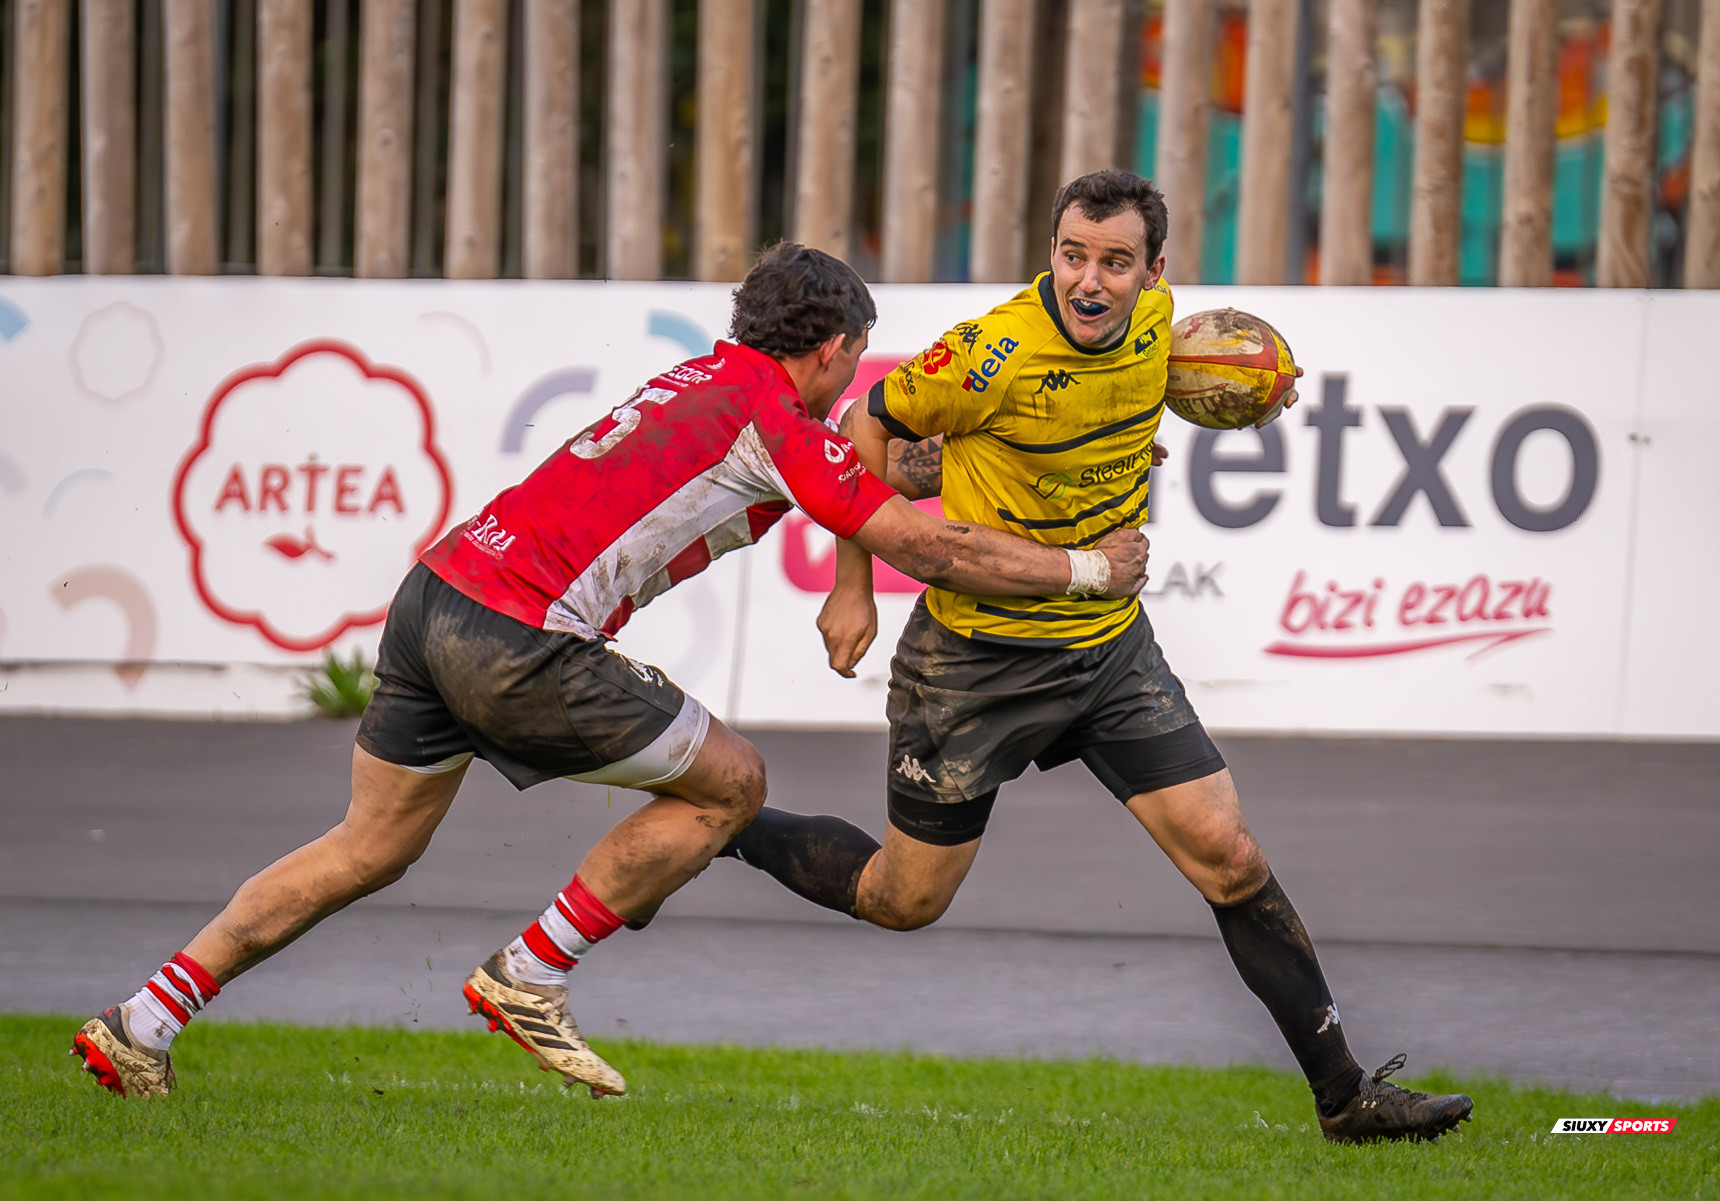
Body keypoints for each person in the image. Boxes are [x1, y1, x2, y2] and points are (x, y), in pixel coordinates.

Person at [71, 242, 1151, 1101]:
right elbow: (927, 543)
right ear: (831, 349)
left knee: (368, 847)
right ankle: (533, 969)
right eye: (850, 362)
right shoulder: (779, 421)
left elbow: (889, 462)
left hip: (436, 595)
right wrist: (1087, 565)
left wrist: (1075, 431)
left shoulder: (710, 382)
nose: (846, 387)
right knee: (732, 782)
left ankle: (144, 1019)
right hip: (519, 638)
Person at [716, 172, 1474, 1144]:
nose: (1089, 279)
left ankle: (1346, 1095)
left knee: (1229, 855)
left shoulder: (1163, 327)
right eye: (1073, 254)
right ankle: (729, 822)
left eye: (1115, 262)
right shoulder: (987, 354)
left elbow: (1156, 392)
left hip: (1108, 649)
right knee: (904, 900)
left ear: (1153, 271)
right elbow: (866, 428)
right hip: (973, 662)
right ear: (1053, 252)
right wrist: (851, 585)